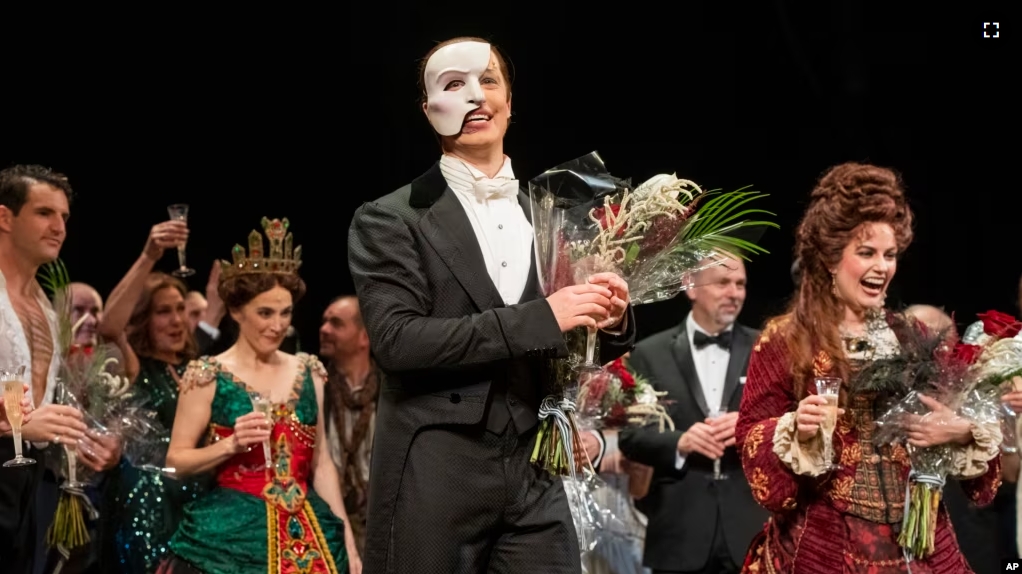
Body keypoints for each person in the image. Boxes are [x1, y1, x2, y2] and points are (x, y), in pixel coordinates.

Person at [347, 36, 635, 573]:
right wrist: (543, 317)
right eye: (454, 85)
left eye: (489, 81)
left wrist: (608, 315)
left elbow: (567, 337)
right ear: (430, 110)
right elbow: (396, 341)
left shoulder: (549, 217)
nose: (475, 96)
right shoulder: (390, 218)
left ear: (510, 100)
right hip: (435, 468)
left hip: (533, 466)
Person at [735, 163, 1002, 573]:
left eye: (890, 255)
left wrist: (959, 429)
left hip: (919, 542)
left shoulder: (912, 333)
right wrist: (793, 427)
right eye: (867, 253)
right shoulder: (786, 339)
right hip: (825, 544)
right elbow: (753, 439)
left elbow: (979, 480)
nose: (883, 267)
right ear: (829, 257)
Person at [159, 217, 359, 573]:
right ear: (236, 312)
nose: (277, 325)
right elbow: (174, 464)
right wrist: (230, 444)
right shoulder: (207, 375)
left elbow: (323, 464)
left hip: (309, 530)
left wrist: (347, 539)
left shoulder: (308, 371)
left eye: (285, 313)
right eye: (264, 313)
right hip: (230, 537)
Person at [619, 257, 768, 574]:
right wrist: (680, 442)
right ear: (690, 285)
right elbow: (630, 437)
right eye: (722, 282)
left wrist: (750, 428)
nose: (734, 293)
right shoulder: (649, 353)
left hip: (750, 529)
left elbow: (788, 421)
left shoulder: (766, 348)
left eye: (740, 284)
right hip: (679, 530)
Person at [96, 223, 211, 574]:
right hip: (147, 509)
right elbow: (109, 327)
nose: (177, 320)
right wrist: (150, 255)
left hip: (198, 507)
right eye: (164, 311)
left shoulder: (202, 369)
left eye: (180, 309)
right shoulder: (135, 366)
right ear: (143, 318)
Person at [0, 165, 89, 573]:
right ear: (4, 217)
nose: (58, 227)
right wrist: (21, 424)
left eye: (64, 217)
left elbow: (43, 403)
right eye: (44, 213)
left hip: (27, 478)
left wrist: (82, 439)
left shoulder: (46, 308)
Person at [319, 295, 379, 556]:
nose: (324, 329)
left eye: (336, 323)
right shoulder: (316, 385)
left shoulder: (389, 391)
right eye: (324, 321)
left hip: (379, 519)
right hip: (329, 518)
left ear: (364, 337)